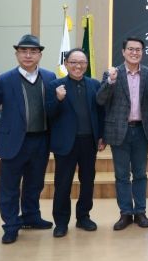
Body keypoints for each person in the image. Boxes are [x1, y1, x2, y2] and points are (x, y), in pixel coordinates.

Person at [0, 34, 56, 244]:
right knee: (9, 187)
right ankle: (11, 225)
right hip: (14, 142)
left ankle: (31, 217)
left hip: (41, 140)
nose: (28, 55)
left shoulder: (49, 77)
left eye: (33, 51)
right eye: (23, 51)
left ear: (40, 55)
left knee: (35, 184)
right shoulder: (4, 79)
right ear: (17, 54)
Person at [96, 36, 148, 231]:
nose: (134, 52)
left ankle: (140, 212)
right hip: (119, 131)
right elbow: (100, 100)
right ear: (123, 52)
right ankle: (125, 213)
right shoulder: (112, 73)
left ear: (142, 52)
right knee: (122, 175)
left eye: (138, 49)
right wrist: (110, 82)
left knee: (140, 174)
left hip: (141, 130)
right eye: (130, 49)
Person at [46, 48, 105, 238]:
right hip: (65, 143)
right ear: (66, 64)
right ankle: (61, 222)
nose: (78, 66)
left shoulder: (94, 84)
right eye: (73, 62)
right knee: (63, 184)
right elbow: (48, 114)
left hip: (89, 142)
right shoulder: (55, 85)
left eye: (82, 62)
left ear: (86, 65)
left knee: (87, 182)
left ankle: (83, 217)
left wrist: (102, 136)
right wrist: (58, 99)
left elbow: (101, 113)